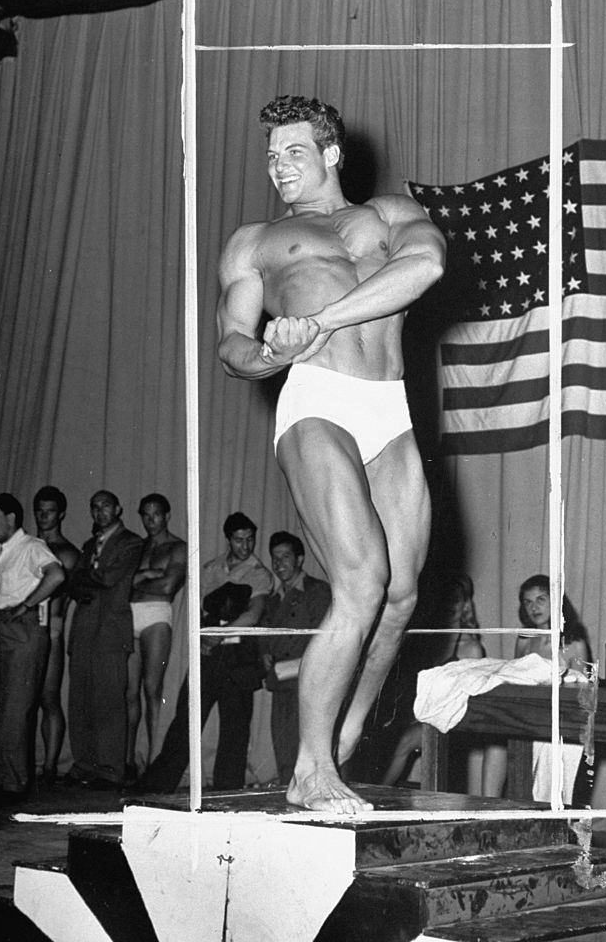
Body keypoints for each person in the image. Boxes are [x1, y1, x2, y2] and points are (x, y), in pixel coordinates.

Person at [216, 94, 445, 812]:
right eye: (271, 157)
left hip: (389, 406)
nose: (278, 168)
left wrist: (315, 319)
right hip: (315, 401)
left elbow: (426, 269)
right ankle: (309, 769)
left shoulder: (391, 215)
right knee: (362, 583)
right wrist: (262, 353)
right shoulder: (255, 241)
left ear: (331, 154)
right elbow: (231, 341)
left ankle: (342, 736)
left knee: (402, 593)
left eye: (293, 153)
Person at [137, 512, 274, 793]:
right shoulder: (210, 568)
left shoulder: (260, 574)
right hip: (208, 655)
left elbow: (254, 613)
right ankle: (155, 788)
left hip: (238, 658)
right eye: (239, 540)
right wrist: (204, 636)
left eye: (250, 540)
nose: (245, 546)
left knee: (234, 733)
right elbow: (200, 612)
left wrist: (216, 636)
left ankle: (228, 795)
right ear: (228, 539)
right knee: (185, 724)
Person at [472, 574, 591, 799]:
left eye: (540, 600)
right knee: (495, 741)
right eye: (527, 602)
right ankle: (489, 809)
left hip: (558, 719)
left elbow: (584, 693)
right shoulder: (525, 639)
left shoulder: (574, 643)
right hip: (525, 716)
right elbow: (516, 679)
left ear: (556, 602)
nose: (533, 608)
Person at [0, 493, 64, 801]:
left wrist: (25, 606)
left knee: (15, 713)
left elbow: (57, 574)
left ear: (11, 519)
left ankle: (14, 785)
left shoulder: (32, 547)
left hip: (22, 633)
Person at [65, 491, 144, 789]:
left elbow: (108, 579)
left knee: (109, 698)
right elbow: (72, 583)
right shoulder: (88, 545)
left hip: (111, 628)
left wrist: (83, 579)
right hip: (84, 626)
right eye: (95, 507)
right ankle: (84, 764)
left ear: (119, 508)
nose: (100, 512)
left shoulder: (131, 542)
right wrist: (82, 580)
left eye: (106, 506)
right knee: (80, 697)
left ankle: (111, 770)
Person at [381, 572, 485, 788]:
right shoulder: (433, 639)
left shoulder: (471, 647)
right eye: (446, 600)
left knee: (404, 742)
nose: (450, 606)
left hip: (454, 720)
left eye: (456, 601)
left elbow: (471, 700)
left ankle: (377, 791)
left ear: (465, 605)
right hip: (425, 714)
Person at [259, 531, 331, 786]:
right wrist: (264, 651)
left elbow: (325, 637)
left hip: (308, 680)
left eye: (285, 557)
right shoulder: (272, 598)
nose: (279, 564)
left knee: (308, 746)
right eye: (275, 558)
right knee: (283, 743)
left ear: (300, 559)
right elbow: (265, 632)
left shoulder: (318, 591)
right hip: (281, 681)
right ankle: (286, 793)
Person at [125, 493, 187, 780]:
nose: (151, 521)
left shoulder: (177, 547)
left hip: (156, 617)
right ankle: (128, 761)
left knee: (152, 690)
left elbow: (167, 586)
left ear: (167, 515)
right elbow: (123, 586)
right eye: (145, 515)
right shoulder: (135, 547)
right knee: (128, 693)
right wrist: (147, 575)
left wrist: (140, 578)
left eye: (156, 515)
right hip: (129, 615)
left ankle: (152, 763)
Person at [33, 486, 79, 786]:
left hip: (51, 630)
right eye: (39, 510)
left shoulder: (68, 553)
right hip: (22, 631)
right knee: (22, 701)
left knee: (49, 698)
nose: (43, 516)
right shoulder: (26, 546)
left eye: (49, 510)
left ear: (60, 513)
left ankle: (49, 766)